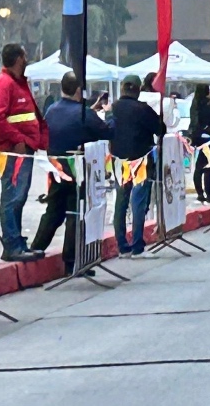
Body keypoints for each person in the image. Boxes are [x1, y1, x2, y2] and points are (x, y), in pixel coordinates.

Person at [30, 71, 112, 275]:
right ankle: (72, 262)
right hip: (79, 170)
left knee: (54, 211)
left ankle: (36, 248)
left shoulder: (51, 110)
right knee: (76, 213)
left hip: (56, 167)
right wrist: (109, 114)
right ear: (78, 90)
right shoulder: (84, 112)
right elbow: (106, 131)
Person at [0, 43, 48, 262]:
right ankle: (12, 245)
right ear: (19, 58)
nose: (28, 58)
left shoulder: (18, 84)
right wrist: (18, 139)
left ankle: (17, 241)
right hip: (13, 151)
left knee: (19, 197)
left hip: (24, 149)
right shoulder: (4, 84)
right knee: (12, 197)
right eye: (25, 55)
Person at [111, 74, 167, 258]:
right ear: (137, 90)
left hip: (118, 160)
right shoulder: (142, 108)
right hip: (140, 160)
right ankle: (137, 245)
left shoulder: (113, 108)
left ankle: (122, 245)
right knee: (138, 202)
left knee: (121, 201)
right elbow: (161, 129)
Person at [188, 83, 210, 205]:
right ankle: (209, 195)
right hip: (209, 139)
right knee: (209, 167)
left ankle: (200, 193)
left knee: (199, 167)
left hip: (197, 139)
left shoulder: (194, 105)